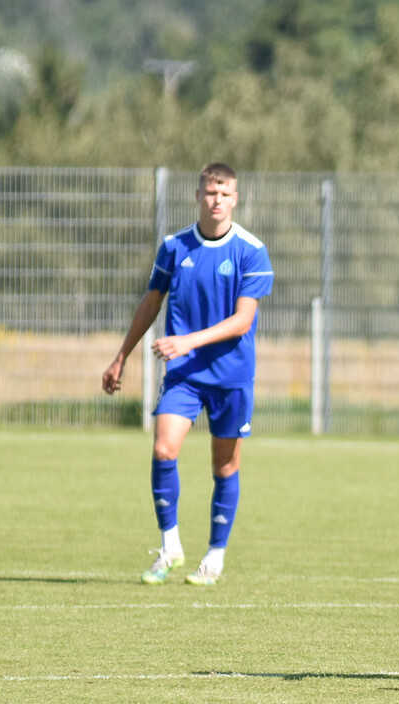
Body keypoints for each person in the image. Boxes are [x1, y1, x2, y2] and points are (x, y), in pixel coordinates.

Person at [102, 162, 274, 586]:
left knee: (225, 467)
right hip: (185, 374)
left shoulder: (251, 250)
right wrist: (121, 355)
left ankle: (214, 557)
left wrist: (188, 341)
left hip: (231, 376)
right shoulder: (174, 247)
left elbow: (241, 321)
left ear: (235, 198)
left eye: (225, 194)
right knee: (164, 450)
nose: (217, 201)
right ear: (198, 195)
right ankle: (170, 547)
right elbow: (150, 303)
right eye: (210, 193)